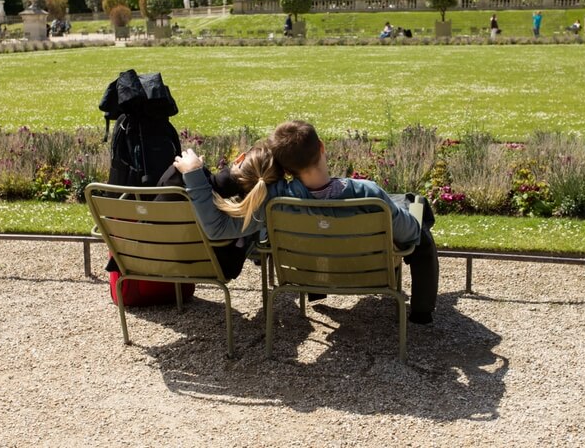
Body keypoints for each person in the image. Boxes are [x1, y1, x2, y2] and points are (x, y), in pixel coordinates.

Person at [175, 120, 439, 323]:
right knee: (420, 227)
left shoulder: (275, 202)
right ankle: (421, 315)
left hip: (311, 272)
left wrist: (195, 175)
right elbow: (408, 236)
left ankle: (316, 289)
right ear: (321, 147)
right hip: (366, 267)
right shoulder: (369, 195)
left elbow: (216, 228)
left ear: (286, 169)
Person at [155, 142, 284, 280]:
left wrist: (198, 174)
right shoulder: (256, 207)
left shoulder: (183, 181)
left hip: (160, 259)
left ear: (240, 158)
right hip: (217, 267)